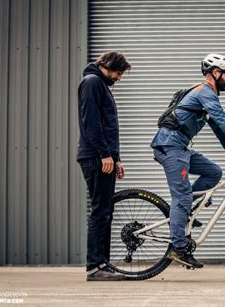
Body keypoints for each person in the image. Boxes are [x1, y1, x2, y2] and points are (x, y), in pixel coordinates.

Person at [151, 53, 225, 269]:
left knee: (213, 172)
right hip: (169, 146)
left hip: (180, 147)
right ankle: (179, 248)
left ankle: (186, 213)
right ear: (215, 73)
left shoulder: (207, 96)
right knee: (182, 196)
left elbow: (217, 127)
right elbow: (222, 118)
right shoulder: (204, 91)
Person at [77, 51, 132, 281]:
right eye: (118, 72)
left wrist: (115, 158)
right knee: (100, 210)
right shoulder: (91, 83)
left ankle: (103, 264)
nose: (119, 77)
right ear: (107, 66)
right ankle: (95, 267)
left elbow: (107, 126)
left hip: (103, 156)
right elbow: (91, 124)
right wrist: (104, 155)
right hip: (95, 157)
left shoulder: (100, 84)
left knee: (106, 211)